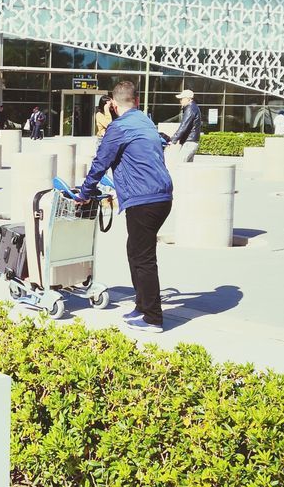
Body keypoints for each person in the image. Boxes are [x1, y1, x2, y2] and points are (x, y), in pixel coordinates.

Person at [76, 80, 173, 333]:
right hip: (162, 197)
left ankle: (153, 318)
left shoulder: (118, 127)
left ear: (113, 104)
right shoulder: (144, 120)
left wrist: (85, 193)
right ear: (137, 101)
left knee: (143, 257)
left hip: (144, 199)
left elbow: (100, 161)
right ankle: (142, 306)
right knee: (136, 250)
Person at [168, 88, 201, 162]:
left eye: (182, 99)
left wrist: (173, 140)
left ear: (188, 99)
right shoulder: (193, 108)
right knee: (187, 168)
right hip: (191, 142)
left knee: (180, 164)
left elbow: (184, 126)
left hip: (189, 142)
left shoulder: (190, 109)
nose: (180, 101)